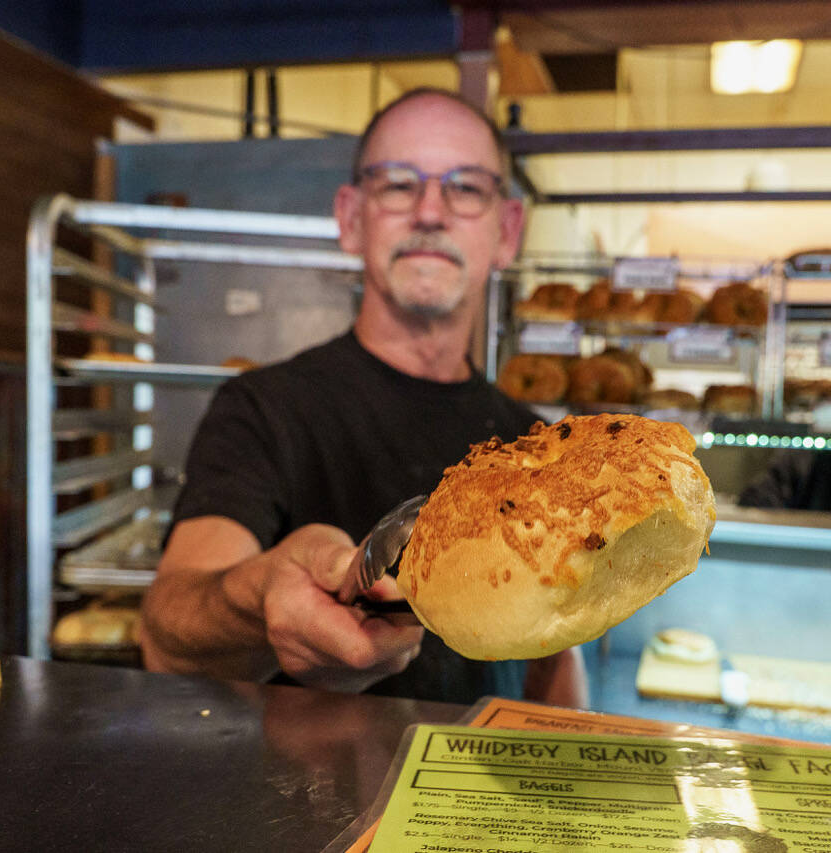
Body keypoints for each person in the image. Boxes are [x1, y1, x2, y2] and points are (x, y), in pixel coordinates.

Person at [140, 88, 588, 707]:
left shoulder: (537, 447)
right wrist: (261, 595)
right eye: (399, 185)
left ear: (507, 231)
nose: (430, 212)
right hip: (297, 800)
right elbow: (166, 630)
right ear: (351, 219)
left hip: (486, 798)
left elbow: (551, 661)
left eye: (465, 188)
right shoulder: (265, 409)